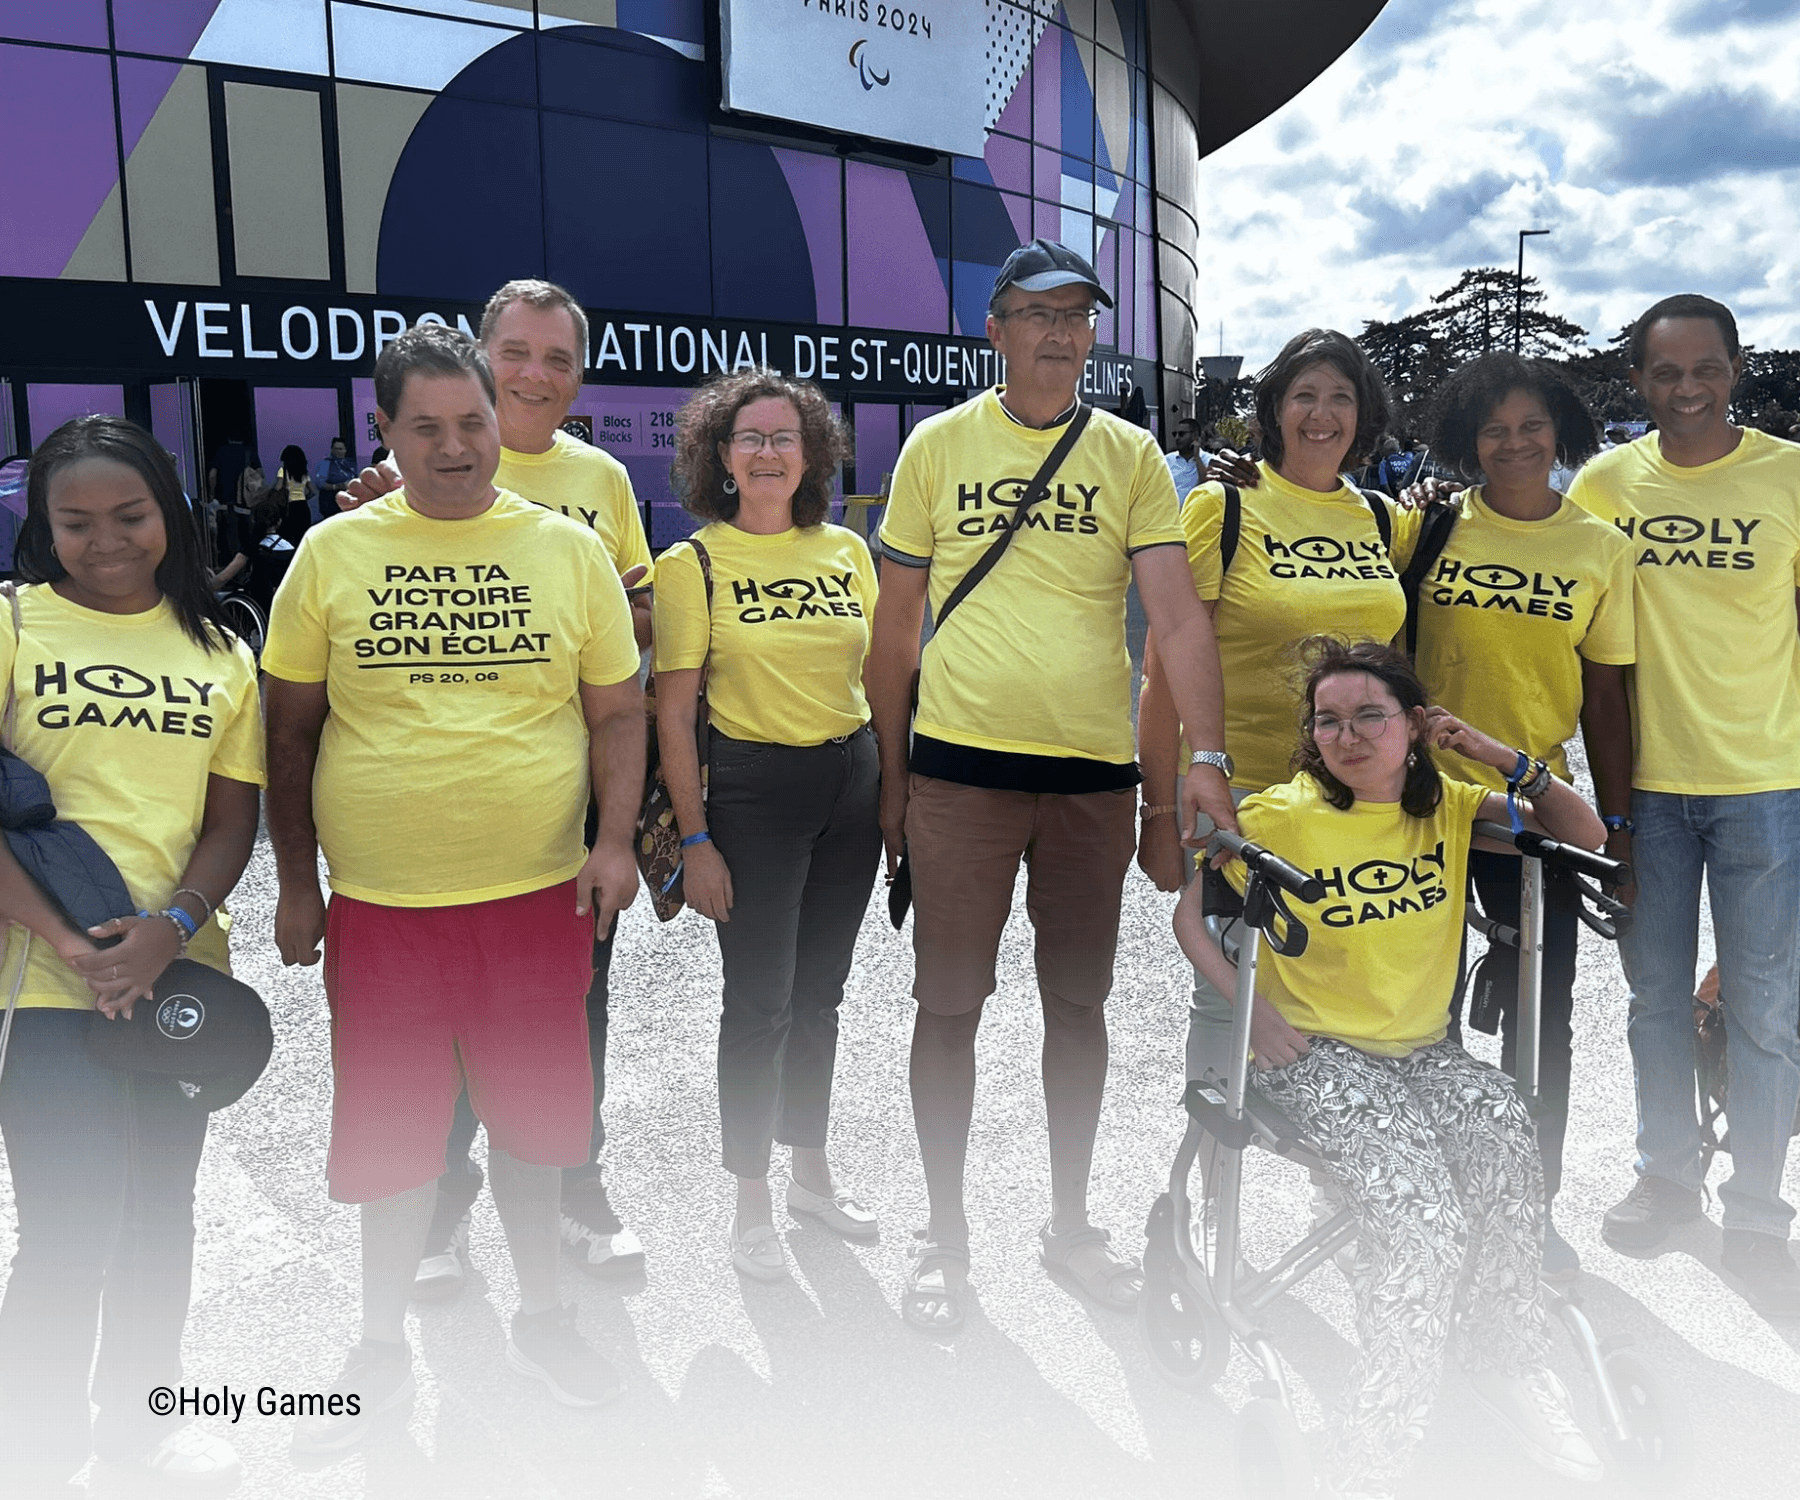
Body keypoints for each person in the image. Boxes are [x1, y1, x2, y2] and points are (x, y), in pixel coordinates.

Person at [262, 324, 646, 1446]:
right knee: (393, 1141)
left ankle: (543, 1316)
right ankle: (379, 1350)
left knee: (537, 1134)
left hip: (536, 900)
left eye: (471, 422)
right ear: (382, 431)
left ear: (504, 423)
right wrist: (297, 882)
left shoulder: (566, 551)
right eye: (422, 427)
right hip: (383, 909)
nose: (453, 446)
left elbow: (617, 711)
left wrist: (615, 841)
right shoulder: (330, 557)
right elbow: (288, 733)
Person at [867, 238, 1234, 1332]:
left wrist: (1202, 761)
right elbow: (892, 634)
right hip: (961, 775)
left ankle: (1071, 1223)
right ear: (995, 327)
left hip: (1086, 778)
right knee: (948, 1008)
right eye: (1037, 313)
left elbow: (1175, 619)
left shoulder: (1128, 455)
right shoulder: (935, 448)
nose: (1061, 333)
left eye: (1078, 315)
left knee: (1079, 1005)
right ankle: (945, 1231)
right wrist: (892, 780)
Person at [1177, 637, 1606, 1500]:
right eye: (1327, 720)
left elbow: (1587, 832)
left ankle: (1503, 1362)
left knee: (1502, 1134)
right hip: (1318, 1055)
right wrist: (1254, 1014)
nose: (1347, 736)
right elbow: (1192, 920)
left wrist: (1492, 753)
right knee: (1423, 1218)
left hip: (1422, 1051)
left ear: (1414, 726)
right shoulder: (1280, 816)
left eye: (1369, 716)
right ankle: (1373, 1452)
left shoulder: (1447, 803)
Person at [343, 282, 654, 1290]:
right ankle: (441, 1206)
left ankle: (575, 1184)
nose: (534, 375)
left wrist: (581, 607)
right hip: (430, 825)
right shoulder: (399, 473)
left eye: (557, 359)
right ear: (480, 358)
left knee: (567, 1014)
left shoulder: (600, 482)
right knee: (441, 1023)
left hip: (555, 811)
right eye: (515, 353)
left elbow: (635, 626)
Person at [0, 416, 263, 1493]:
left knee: (161, 1218)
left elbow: (231, 820)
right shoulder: (13, 625)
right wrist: (71, 939)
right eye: (76, 522)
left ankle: (144, 1427)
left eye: (129, 515)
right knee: (67, 1226)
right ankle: (37, 1446)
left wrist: (170, 927)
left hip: (177, 985)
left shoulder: (219, 648)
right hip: (49, 985)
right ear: (42, 526)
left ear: (170, 514)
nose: (105, 540)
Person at [1568, 294, 1800, 1318]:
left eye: (1704, 368)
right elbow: (1575, 636)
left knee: (1765, 1010)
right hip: (1647, 794)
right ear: (1638, 382)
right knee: (1656, 1000)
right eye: (1665, 373)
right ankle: (1667, 1175)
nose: (1687, 388)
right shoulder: (1605, 484)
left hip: (1766, 787)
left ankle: (1756, 1206)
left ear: (1735, 368)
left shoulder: (1789, 476)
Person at [654, 370, 882, 1280]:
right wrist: (698, 837)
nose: (768, 453)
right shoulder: (693, 563)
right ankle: (750, 1199)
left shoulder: (847, 552)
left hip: (850, 782)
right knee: (759, 1003)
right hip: (752, 795)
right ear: (721, 454)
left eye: (785, 437)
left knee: (822, 995)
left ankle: (810, 1179)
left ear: (812, 453)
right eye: (749, 437)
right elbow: (674, 714)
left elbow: (877, 680)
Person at [1417, 352, 1635, 1280]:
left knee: (1541, 1019)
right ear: (1470, 438)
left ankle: (1527, 1206)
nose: (1513, 442)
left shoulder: (1598, 549)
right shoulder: (1425, 525)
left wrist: (1618, 830)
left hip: (1525, 810)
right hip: (1414, 805)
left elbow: (1606, 700)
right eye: (1494, 428)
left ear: (1562, 435)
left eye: (1531, 426)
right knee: (1417, 1011)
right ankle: (1427, 1194)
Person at [1163, 415, 1216, 499]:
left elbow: (1207, 484)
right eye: (1174, 434)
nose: (1177, 438)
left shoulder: (1209, 460)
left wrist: (1197, 457)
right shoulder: (1167, 460)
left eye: (1181, 434)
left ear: (1194, 436)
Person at [274, 444, 316, 543]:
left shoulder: (283, 471)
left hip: (289, 507)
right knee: (301, 536)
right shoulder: (304, 472)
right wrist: (304, 497)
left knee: (287, 536)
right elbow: (312, 491)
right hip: (303, 506)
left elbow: (278, 487)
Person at [314, 435, 357, 514]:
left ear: (345, 450)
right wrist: (336, 487)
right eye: (335, 449)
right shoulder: (325, 463)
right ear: (332, 450)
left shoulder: (351, 463)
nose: (337, 451)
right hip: (331, 503)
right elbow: (320, 483)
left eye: (340, 449)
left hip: (348, 503)